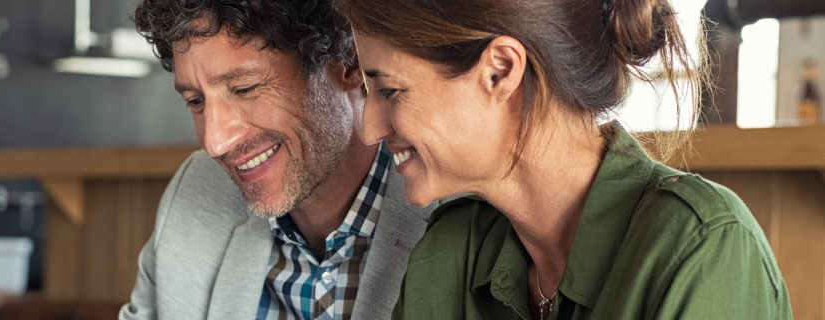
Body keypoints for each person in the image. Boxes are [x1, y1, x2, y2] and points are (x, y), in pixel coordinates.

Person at [335, 0, 793, 318]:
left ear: (500, 71)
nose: (370, 128)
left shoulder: (701, 249)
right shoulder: (449, 254)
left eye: (390, 91)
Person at [119, 0, 435, 319]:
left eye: (245, 89)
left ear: (351, 62)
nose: (215, 142)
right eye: (196, 101)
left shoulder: (456, 215)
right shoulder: (197, 193)